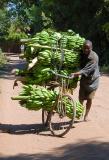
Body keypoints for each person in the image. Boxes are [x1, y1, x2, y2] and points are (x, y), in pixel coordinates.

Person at [71, 40, 100, 121]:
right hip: (84, 80)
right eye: (84, 48)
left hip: (93, 81)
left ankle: (86, 116)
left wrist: (75, 74)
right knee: (81, 98)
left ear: (91, 48)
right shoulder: (82, 53)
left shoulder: (94, 57)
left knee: (90, 99)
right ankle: (79, 114)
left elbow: (86, 70)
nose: (86, 50)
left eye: (88, 48)